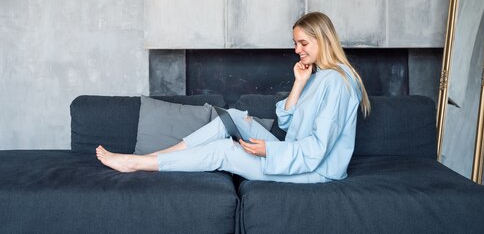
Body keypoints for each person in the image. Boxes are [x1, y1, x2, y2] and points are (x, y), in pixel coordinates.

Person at [96, 12, 370, 183]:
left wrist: (268, 150)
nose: (297, 49)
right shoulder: (318, 76)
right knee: (234, 118)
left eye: (303, 43)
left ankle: (135, 163)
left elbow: (318, 150)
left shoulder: (337, 82)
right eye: (295, 42)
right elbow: (287, 125)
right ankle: (156, 157)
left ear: (323, 40)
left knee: (225, 151)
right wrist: (299, 84)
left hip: (315, 172)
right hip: (294, 156)